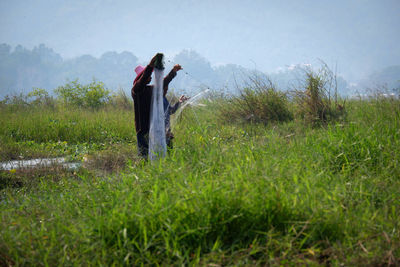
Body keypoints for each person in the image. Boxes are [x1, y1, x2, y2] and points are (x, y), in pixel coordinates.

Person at [131, 53, 182, 158]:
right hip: (143, 129)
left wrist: (173, 72)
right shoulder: (136, 90)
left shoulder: (150, 89)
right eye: (147, 76)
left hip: (153, 128)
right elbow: (144, 77)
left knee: (157, 156)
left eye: (150, 76)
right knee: (144, 157)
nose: (150, 78)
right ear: (140, 78)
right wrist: (150, 65)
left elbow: (162, 83)